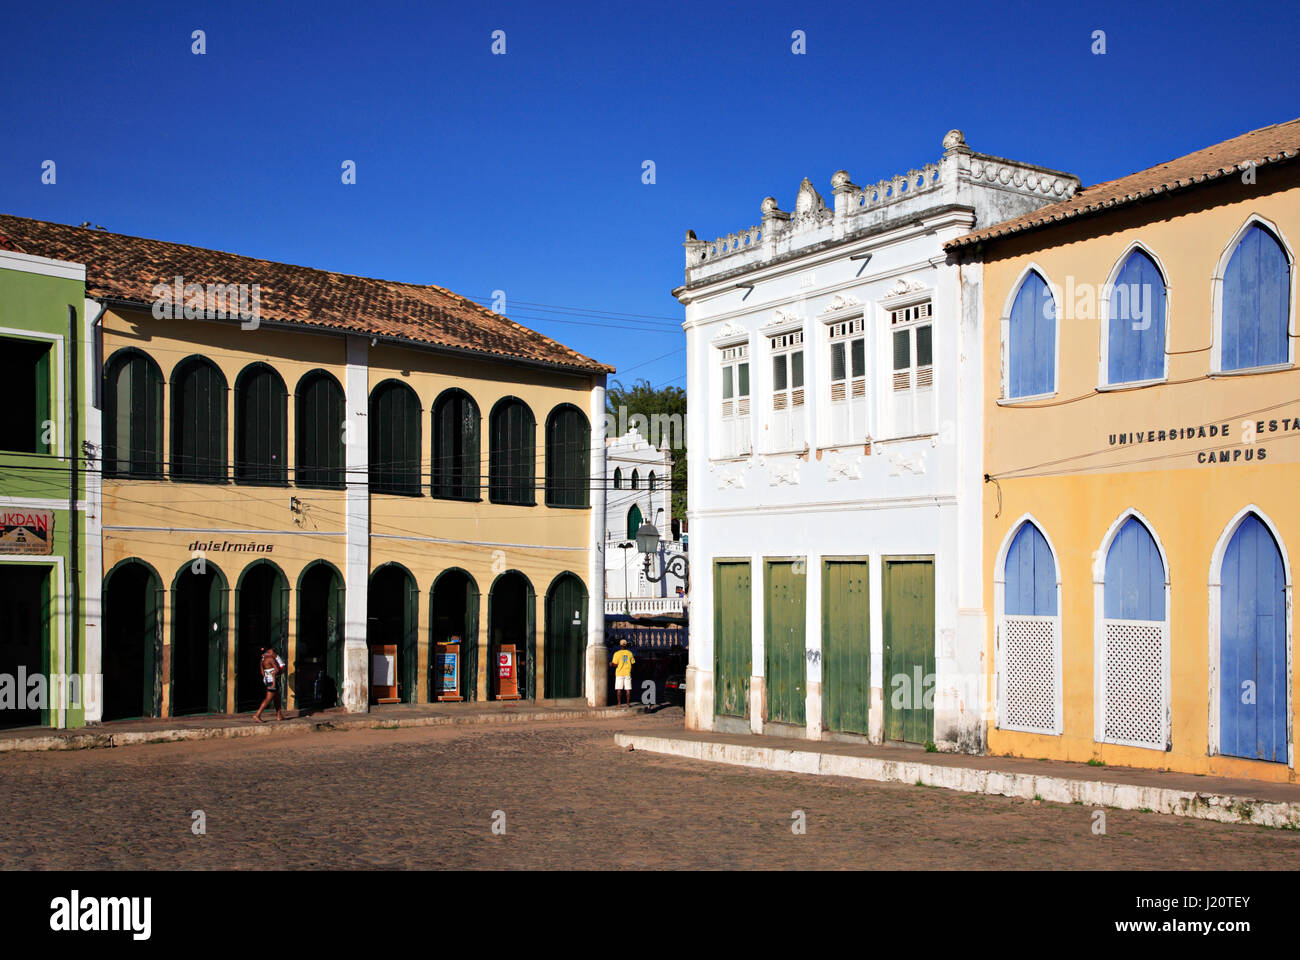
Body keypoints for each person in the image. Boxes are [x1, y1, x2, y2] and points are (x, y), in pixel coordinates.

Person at [253, 646, 286, 722]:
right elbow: (277, 670)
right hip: (272, 681)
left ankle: (279, 715)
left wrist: (268, 676)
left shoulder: (262, 660)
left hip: (268, 680)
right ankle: (257, 715)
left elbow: (262, 673)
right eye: (272, 653)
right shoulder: (271, 659)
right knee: (268, 699)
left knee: (277, 697)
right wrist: (275, 674)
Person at [610, 639, 635, 707]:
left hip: (619, 673)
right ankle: (628, 704)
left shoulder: (617, 654)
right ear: (626, 645)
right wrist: (630, 671)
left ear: (620, 645)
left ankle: (619, 704)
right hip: (627, 673)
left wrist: (611, 664)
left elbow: (615, 665)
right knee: (628, 689)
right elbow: (633, 664)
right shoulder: (630, 653)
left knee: (619, 689)